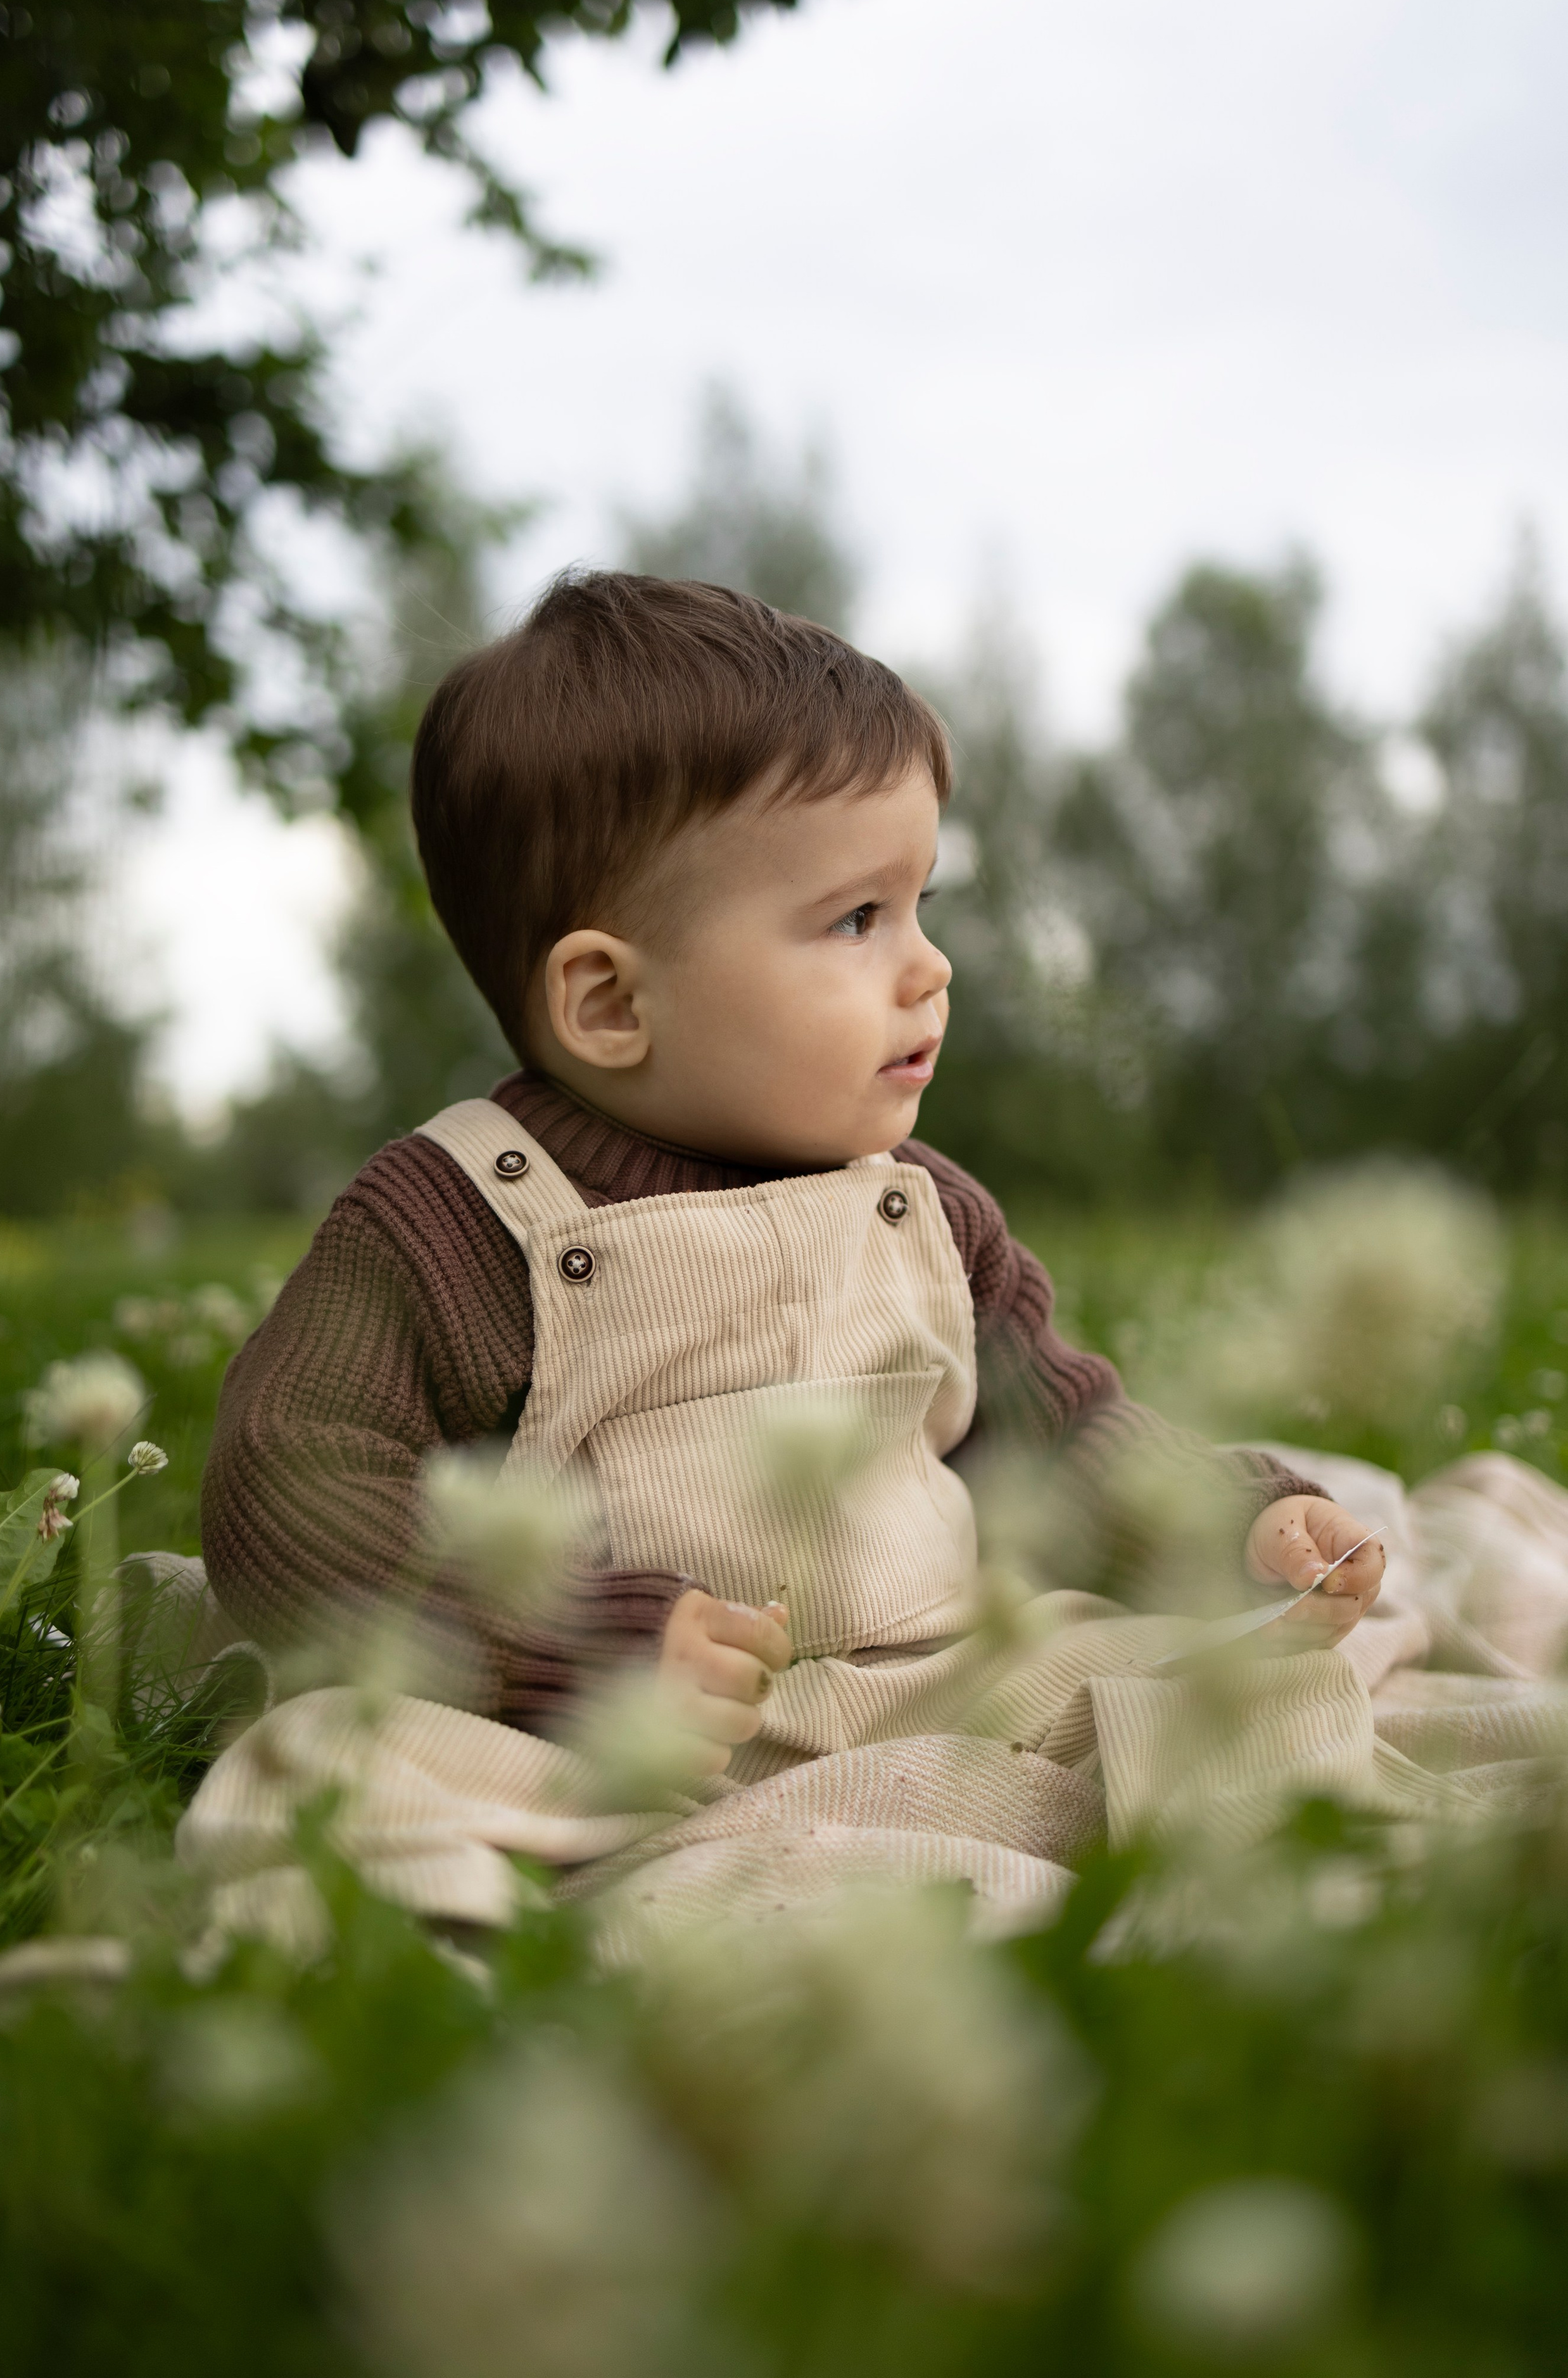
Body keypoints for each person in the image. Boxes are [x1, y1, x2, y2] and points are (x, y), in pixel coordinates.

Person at [201, 572, 1384, 1781]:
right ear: (612, 1001)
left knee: (1267, 1723)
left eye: (922, 904)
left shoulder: (926, 1212)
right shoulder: (459, 1226)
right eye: (858, 919)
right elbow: (290, 1485)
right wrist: (562, 1639)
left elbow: (1056, 1438)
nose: (932, 968)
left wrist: (1230, 1526)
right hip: (631, 1755)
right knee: (363, 1799)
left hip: (957, 1691)